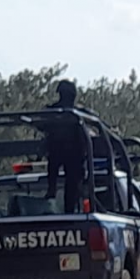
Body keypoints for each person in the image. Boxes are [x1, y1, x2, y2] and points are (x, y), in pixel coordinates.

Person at [44, 80, 88, 213]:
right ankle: (52, 191)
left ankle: (67, 205)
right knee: (66, 179)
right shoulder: (53, 112)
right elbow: (40, 123)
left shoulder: (79, 113)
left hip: (73, 156)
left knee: (72, 185)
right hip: (62, 153)